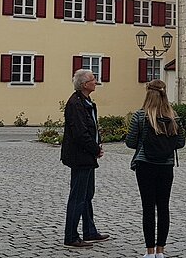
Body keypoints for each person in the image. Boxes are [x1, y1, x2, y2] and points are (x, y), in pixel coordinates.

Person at [125, 80, 186, 258]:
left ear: (147, 94)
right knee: (164, 207)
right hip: (166, 166)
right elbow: (180, 143)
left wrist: (144, 143)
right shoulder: (173, 117)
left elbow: (130, 142)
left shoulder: (140, 116)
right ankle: (161, 250)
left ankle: (149, 251)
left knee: (148, 208)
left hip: (145, 165)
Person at [60, 69, 109, 249]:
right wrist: (95, 149)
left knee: (87, 195)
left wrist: (96, 146)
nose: (96, 82)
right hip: (80, 156)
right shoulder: (76, 104)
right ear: (84, 84)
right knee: (78, 196)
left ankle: (89, 230)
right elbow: (81, 133)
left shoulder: (86, 101)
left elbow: (92, 127)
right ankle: (71, 235)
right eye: (93, 80)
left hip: (86, 155)